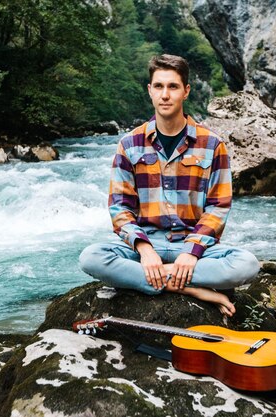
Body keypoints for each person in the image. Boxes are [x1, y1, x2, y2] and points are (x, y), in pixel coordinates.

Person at [79, 54, 259, 316]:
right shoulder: (129, 144)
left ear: (185, 92)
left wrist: (191, 252)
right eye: (159, 86)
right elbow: (119, 208)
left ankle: (155, 279)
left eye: (173, 87)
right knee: (91, 257)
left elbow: (218, 207)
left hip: (194, 245)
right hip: (145, 244)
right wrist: (143, 249)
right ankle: (190, 288)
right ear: (150, 91)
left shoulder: (212, 144)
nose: (165, 95)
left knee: (247, 265)